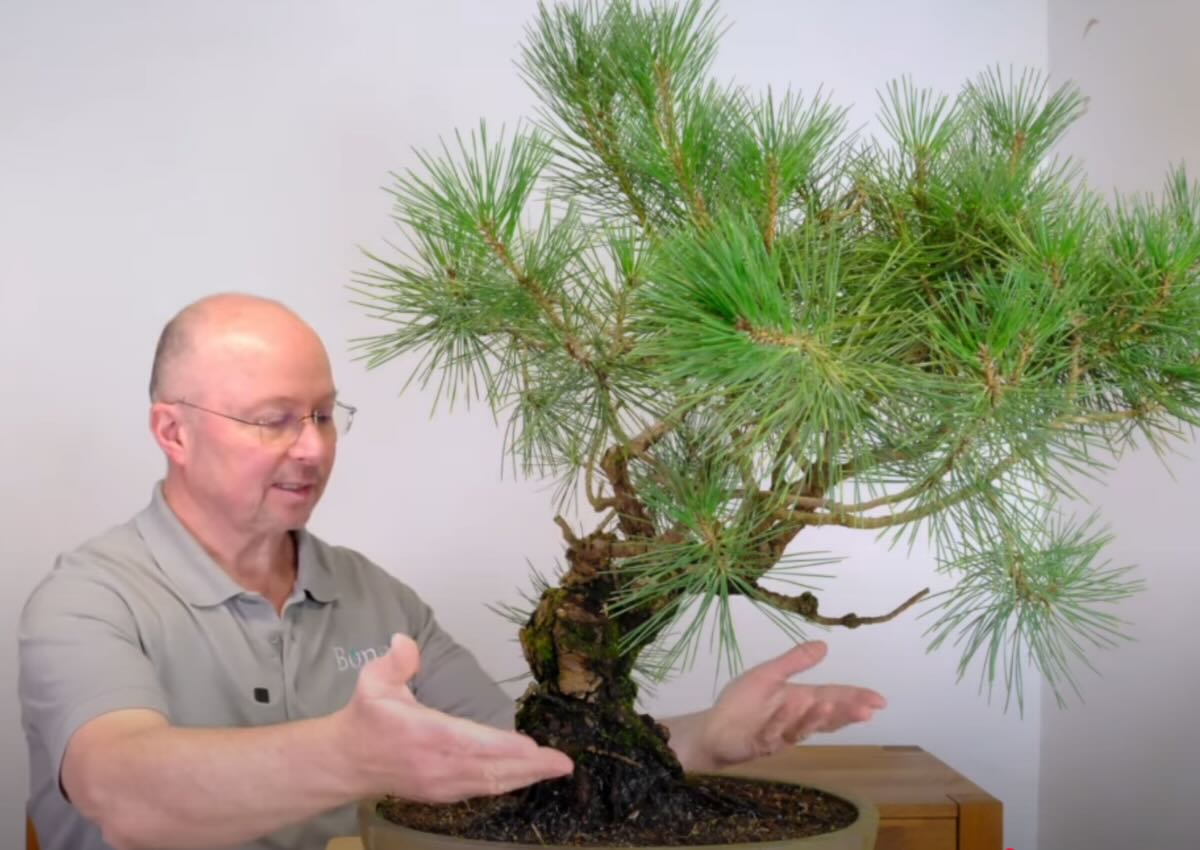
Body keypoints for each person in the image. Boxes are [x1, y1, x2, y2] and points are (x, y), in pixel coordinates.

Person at [18, 294, 887, 850]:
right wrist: (350, 756)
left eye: (324, 414)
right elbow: (120, 791)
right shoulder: (91, 598)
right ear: (173, 431)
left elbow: (520, 758)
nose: (313, 447)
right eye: (273, 419)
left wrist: (701, 740)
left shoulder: (373, 596)